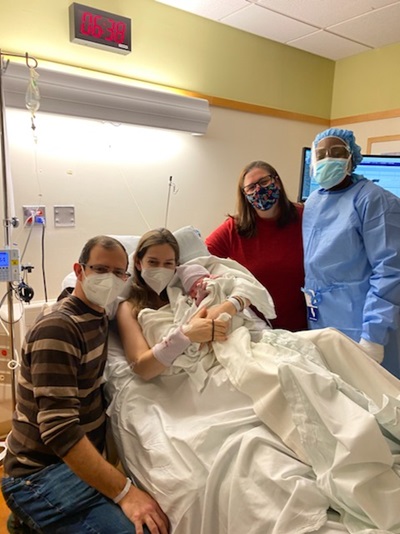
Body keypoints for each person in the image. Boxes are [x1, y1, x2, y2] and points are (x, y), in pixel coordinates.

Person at [1, 235, 169, 534]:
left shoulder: (99, 315)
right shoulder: (58, 328)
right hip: (39, 472)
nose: (111, 280)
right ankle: (29, 511)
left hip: (73, 463)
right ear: (79, 271)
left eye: (119, 273)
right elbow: (60, 430)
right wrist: (126, 493)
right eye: (101, 270)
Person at [302, 127, 400, 377]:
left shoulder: (374, 200)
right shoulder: (313, 201)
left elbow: (390, 270)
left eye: (336, 152)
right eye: (320, 154)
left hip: (362, 323)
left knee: (377, 403)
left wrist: (373, 337)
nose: (327, 159)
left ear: (351, 158)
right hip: (322, 317)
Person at [115, 228, 245, 381]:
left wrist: (231, 304)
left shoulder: (189, 290)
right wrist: (186, 334)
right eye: (153, 262)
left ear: (176, 265)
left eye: (168, 263)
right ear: (138, 263)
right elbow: (142, 368)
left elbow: (244, 287)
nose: (160, 269)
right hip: (185, 376)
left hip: (224, 355)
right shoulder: (128, 308)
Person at [205, 160, 307, 332]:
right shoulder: (234, 228)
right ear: (244, 195)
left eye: (264, 182)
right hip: (256, 329)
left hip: (302, 326)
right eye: (251, 187)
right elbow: (200, 258)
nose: (259, 190)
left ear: (277, 182)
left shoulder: (305, 218)